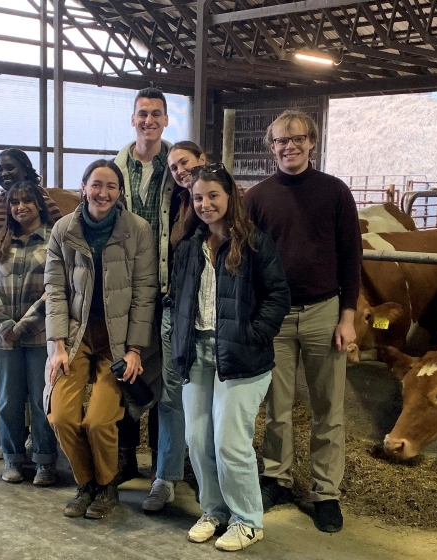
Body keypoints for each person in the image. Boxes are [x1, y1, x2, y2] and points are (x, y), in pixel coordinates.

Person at [244, 110, 362, 534]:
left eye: (297, 138)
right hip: (274, 316)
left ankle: (326, 492)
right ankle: (277, 477)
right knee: (275, 406)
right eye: (280, 140)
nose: (288, 146)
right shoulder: (256, 198)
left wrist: (348, 316)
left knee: (327, 407)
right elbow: (247, 262)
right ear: (270, 147)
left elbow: (351, 258)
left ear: (312, 141)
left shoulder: (334, 192)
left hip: (323, 311)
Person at [171, 164, 290, 552]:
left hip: (241, 357)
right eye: (198, 197)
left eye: (213, 196)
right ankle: (214, 510)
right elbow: (180, 301)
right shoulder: (189, 247)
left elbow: (277, 297)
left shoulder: (254, 243)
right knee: (196, 437)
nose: (205, 204)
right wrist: (179, 344)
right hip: (198, 353)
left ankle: (248, 520)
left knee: (229, 442)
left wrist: (252, 335)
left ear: (230, 196)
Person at [44, 159, 157, 520]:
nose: (103, 193)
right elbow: (55, 289)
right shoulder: (63, 229)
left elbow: (144, 290)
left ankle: (106, 485)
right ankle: (86, 482)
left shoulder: (138, 229)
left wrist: (136, 349)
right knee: (60, 416)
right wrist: (56, 346)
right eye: (96, 185)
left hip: (118, 340)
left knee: (98, 420)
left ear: (120, 192)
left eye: (110, 186)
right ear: (83, 187)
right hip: (76, 336)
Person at [113, 87, 185, 507]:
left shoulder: (178, 166)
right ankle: (125, 458)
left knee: (167, 379)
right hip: (125, 285)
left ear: (165, 120)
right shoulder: (115, 168)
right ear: (133, 118)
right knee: (125, 369)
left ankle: (164, 466)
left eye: (156, 113)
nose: (149, 120)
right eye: (142, 113)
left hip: (167, 285)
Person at [0, 181, 59, 485]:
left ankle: (45, 460)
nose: (20, 207)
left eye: (27, 201)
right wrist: (3, 326)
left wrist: (24, 325)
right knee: (8, 400)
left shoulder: (54, 240)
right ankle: (12, 457)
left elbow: (56, 289)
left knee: (42, 401)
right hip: (4, 339)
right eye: (14, 203)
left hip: (40, 336)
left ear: (39, 204)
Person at [0, 148, 72, 233]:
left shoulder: (44, 201)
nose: (4, 173)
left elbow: (62, 234)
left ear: (25, 170)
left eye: (10, 168)